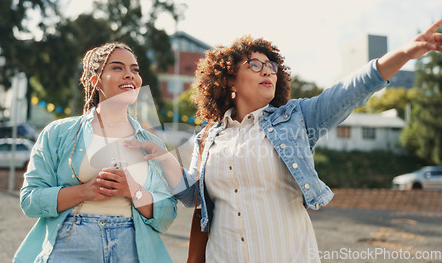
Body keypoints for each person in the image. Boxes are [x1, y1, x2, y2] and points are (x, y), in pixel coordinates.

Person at [126, 19, 442, 262]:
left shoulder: (296, 118)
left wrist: (406, 52)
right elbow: (193, 196)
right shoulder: (207, 136)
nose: (268, 71)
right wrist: (159, 154)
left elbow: (350, 91)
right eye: (255, 64)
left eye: (272, 66)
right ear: (229, 80)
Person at [14, 42, 177, 263]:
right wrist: (84, 192)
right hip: (70, 246)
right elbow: (29, 200)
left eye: (135, 70)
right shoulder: (59, 133)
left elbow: (167, 214)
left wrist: (134, 191)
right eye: (118, 68)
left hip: (131, 250)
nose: (130, 75)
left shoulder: (151, 143)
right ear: (95, 80)